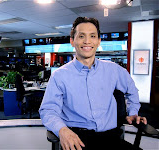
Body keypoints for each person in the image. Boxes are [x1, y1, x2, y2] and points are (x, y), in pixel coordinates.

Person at [39, 17, 147, 150]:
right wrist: (62, 130)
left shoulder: (114, 70)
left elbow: (132, 90)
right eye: (81, 36)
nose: (87, 41)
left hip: (111, 139)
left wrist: (133, 112)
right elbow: (48, 110)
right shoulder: (59, 76)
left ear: (98, 41)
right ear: (72, 41)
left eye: (92, 36)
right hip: (78, 140)